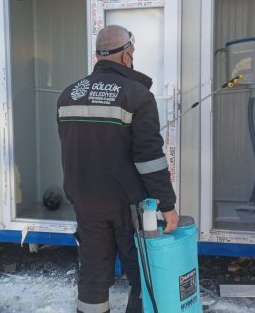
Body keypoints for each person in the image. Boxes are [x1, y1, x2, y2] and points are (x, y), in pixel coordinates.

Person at [57, 25, 179, 313]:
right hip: (127, 204)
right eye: (132, 54)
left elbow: (70, 148)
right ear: (126, 56)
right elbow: (150, 159)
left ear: (98, 56)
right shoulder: (137, 95)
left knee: (93, 273)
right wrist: (168, 204)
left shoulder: (67, 95)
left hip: (84, 200)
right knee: (141, 275)